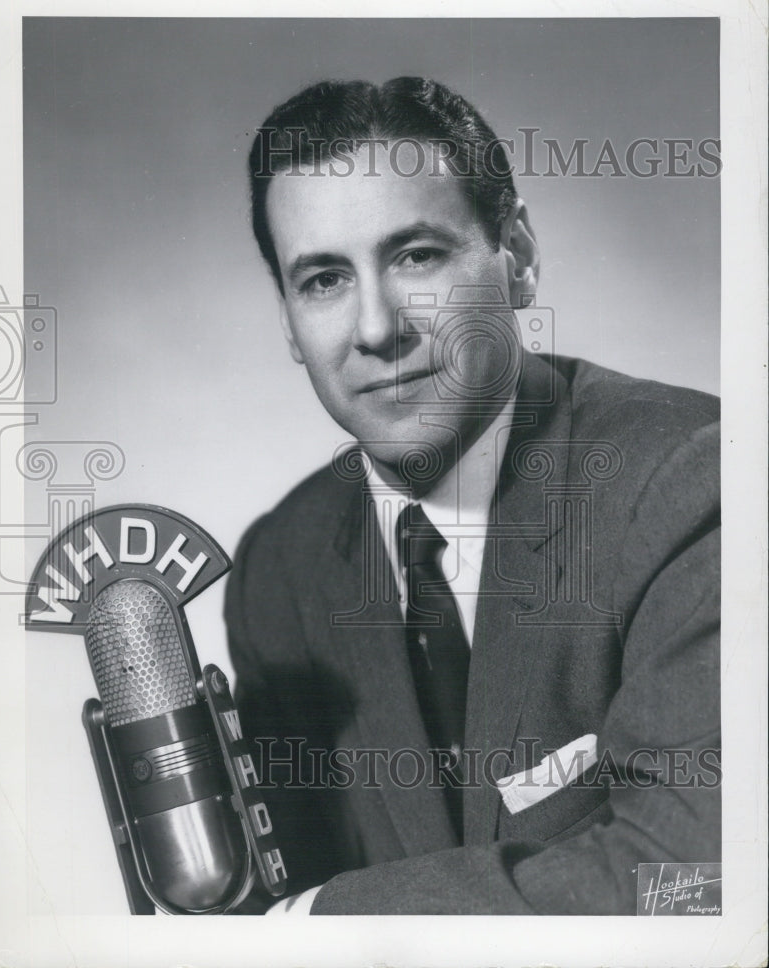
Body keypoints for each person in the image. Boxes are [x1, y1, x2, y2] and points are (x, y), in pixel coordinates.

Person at [225, 77, 720, 914]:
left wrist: (318, 924)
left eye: (416, 256)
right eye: (324, 280)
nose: (377, 329)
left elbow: (696, 879)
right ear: (288, 321)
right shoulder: (280, 569)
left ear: (517, 258)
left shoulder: (687, 481)